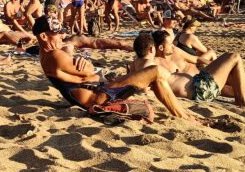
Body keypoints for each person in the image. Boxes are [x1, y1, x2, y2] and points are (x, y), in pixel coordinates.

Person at [33, 16, 199, 121]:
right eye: (56, 33)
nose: (61, 36)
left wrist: (74, 54)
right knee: (156, 72)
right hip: (100, 96)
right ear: (43, 36)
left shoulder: (46, 56)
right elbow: (89, 71)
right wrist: (83, 61)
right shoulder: (55, 55)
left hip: (99, 91)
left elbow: (75, 68)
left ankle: (183, 115)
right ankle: (184, 116)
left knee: (151, 76)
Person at [149, 30, 245, 107]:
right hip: (199, 84)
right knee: (238, 90)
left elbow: (196, 59)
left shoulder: (175, 52)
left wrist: (216, 64)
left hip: (204, 74)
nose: (173, 45)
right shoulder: (155, 64)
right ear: (161, 47)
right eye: (170, 44)